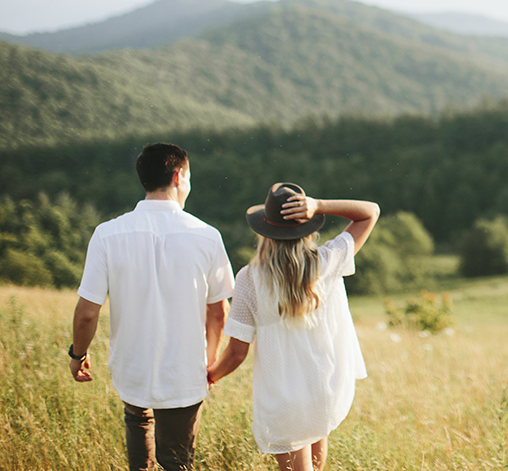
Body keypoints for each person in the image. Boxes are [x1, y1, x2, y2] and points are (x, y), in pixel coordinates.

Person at [70, 142, 235, 471]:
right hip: (184, 371)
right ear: (178, 176)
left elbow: (88, 311)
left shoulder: (107, 234)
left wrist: (78, 354)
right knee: (176, 461)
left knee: (138, 431)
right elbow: (218, 313)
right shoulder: (207, 235)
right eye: (188, 177)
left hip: (133, 368)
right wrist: (209, 362)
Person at [208, 182, 379, 471]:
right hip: (323, 387)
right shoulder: (328, 260)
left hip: (285, 398)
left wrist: (211, 375)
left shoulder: (250, 279)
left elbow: (237, 353)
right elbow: (369, 212)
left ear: (265, 231)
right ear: (308, 228)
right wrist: (320, 204)